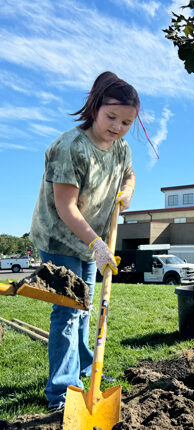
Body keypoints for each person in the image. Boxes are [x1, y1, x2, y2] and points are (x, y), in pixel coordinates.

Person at [29, 71, 138, 411]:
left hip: (92, 241)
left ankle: (87, 370)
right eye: (111, 117)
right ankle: (62, 392)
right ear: (94, 108)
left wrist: (128, 190)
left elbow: (129, 174)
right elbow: (65, 206)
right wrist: (98, 245)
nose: (118, 127)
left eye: (126, 122)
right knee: (67, 311)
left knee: (86, 308)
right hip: (60, 237)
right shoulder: (70, 148)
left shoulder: (120, 149)